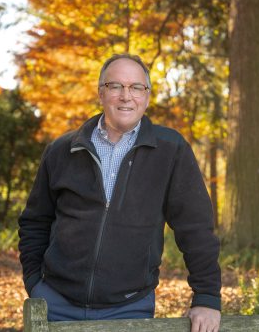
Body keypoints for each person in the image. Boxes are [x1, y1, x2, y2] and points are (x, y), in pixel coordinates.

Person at [18, 53, 221, 332]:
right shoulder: (61, 150)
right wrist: (34, 282)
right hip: (55, 303)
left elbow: (196, 228)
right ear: (101, 93)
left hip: (129, 307)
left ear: (147, 96)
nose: (127, 96)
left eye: (136, 87)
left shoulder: (171, 150)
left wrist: (207, 297)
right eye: (116, 86)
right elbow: (35, 221)